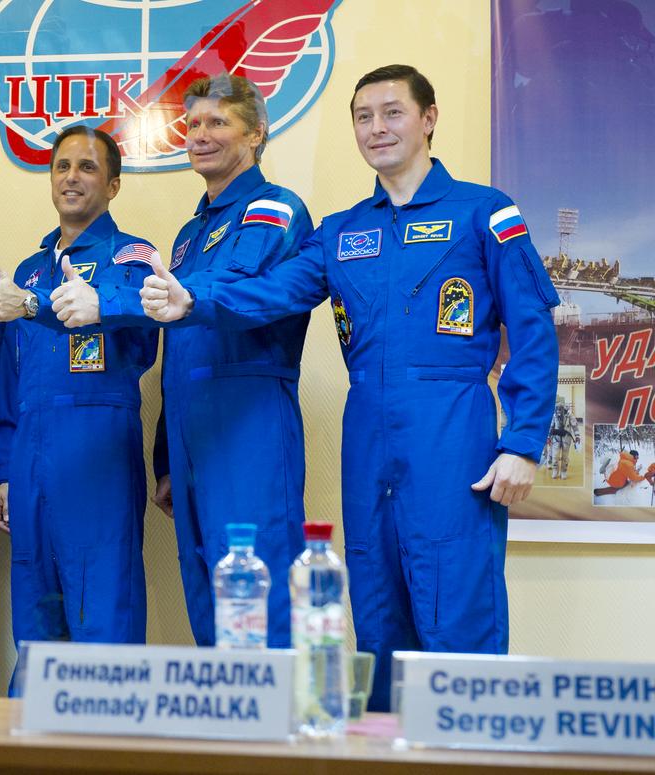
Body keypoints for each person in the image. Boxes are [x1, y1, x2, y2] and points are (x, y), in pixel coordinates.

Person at [139, 64, 560, 712]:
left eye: (392, 112)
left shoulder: (485, 212)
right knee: (376, 607)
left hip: (450, 424)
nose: (377, 128)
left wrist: (524, 440)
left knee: (456, 603)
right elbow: (275, 291)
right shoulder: (341, 231)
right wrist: (193, 296)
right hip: (366, 429)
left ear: (429, 118)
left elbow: (533, 328)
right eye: (363, 117)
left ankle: (471, 744)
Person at [68, 74, 313, 649]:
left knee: (257, 589)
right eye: (194, 123)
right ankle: (225, 731)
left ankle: (271, 736)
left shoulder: (271, 209)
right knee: (206, 588)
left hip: (247, 424)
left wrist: (110, 300)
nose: (200, 135)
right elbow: (176, 355)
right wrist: (165, 459)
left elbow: (231, 285)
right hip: (193, 434)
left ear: (255, 134)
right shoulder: (187, 234)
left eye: (218, 123)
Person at [0, 127, 157, 664]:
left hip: (95, 450)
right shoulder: (30, 270)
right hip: (31, 456)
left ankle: (108, 741)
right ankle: (37, 745)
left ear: (114, 184)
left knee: (102, 607)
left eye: (87, 167)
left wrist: (39, 306)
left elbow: (143, 335)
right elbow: (10, 384)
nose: (71, 178)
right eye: (61, 167)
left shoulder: (133, 256)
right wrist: (7, 471)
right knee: (37, 612)